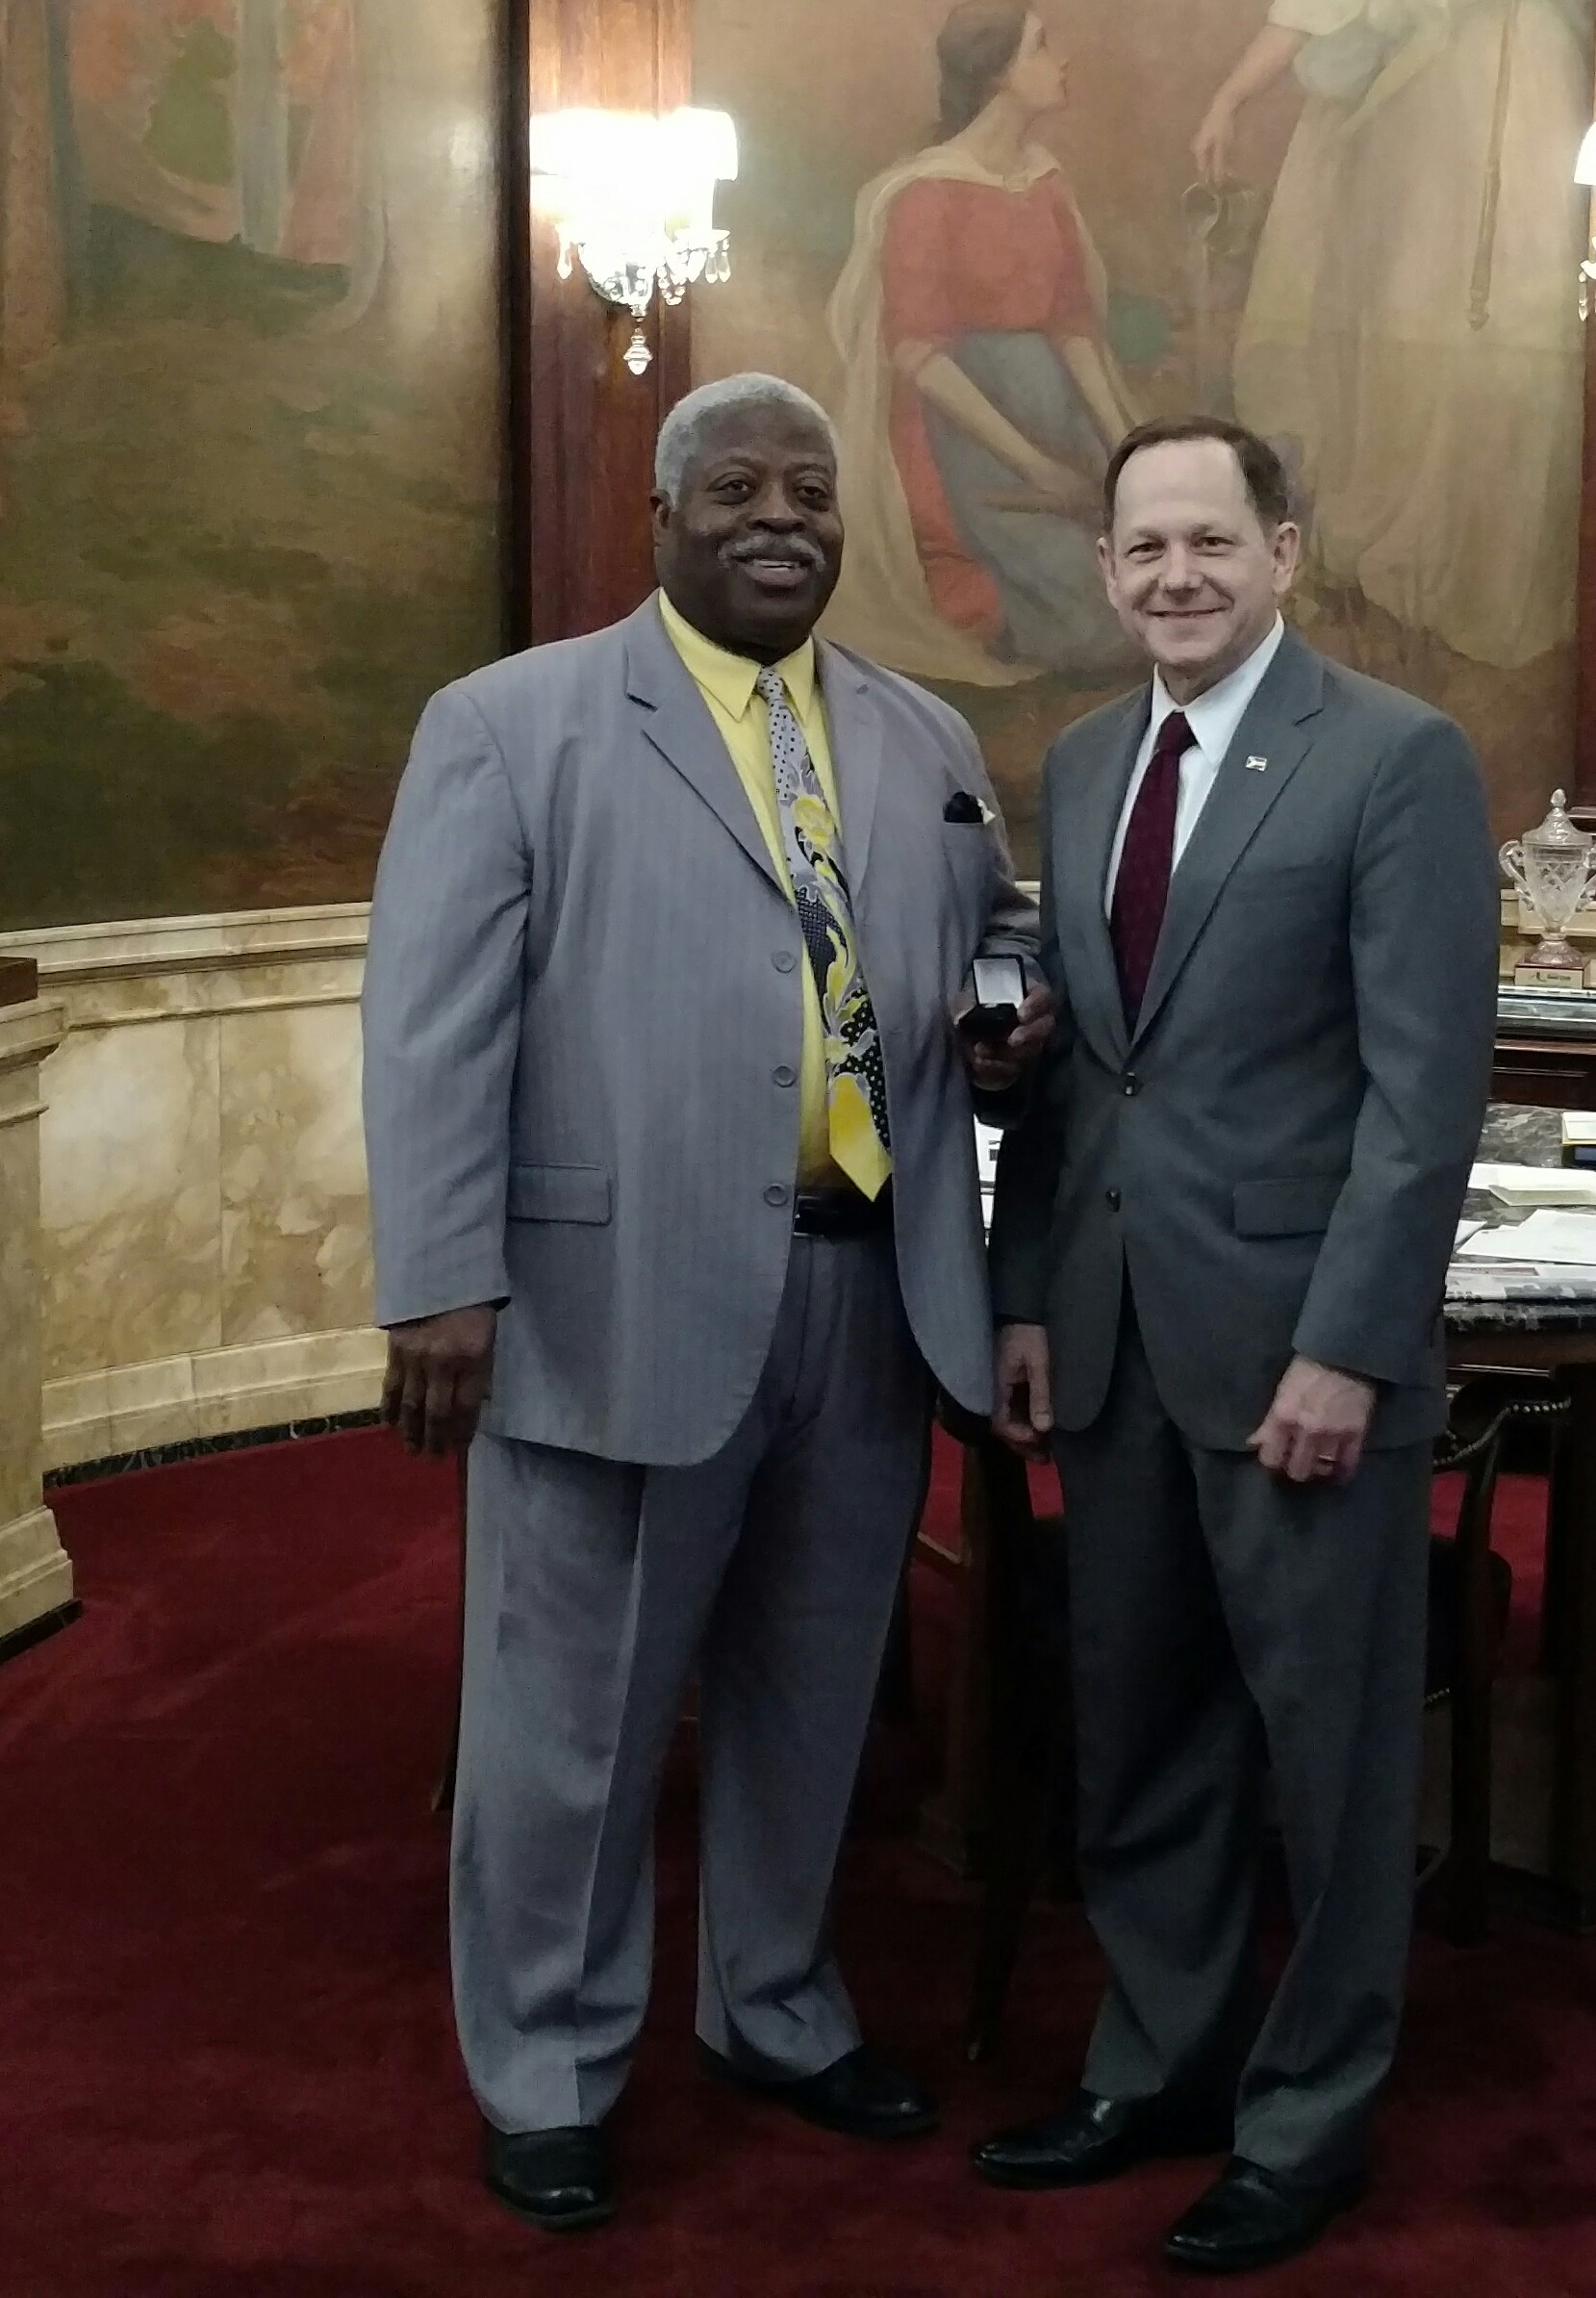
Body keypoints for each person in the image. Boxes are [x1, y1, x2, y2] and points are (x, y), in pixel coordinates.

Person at [361, 372, 1047, 2235]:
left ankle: (772, 2005)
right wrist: (437, 1279)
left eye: (809, 492)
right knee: (571, 1722)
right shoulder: (514, 724)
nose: (779, 517)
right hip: (609, 1304)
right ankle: (549, 2066)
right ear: (658, 517)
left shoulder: (920, 738)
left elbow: (987, 929)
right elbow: (431, 1022)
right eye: (733, 485)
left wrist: (999, 1009)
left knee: (808, 1696)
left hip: (866, 1298)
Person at [974, 416, 1500, 2273]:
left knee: (1323, 1753)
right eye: (1142, 548)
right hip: (1113, 1343)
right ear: (1106, 569)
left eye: (1211, 538)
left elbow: (1420, 1097)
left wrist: (1350, 1345)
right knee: (1137, 1730)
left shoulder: (1394, 758)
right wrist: (1025, 1291)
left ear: (1283, 548)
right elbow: (1074, 1079)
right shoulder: (1081, 758)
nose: (1174, 575)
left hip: (1299, 1361)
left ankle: (1306, 2112)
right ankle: (1159, 2057)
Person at [1192, 0, 1590, 669]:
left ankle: (1490, 572)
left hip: (1533, 88)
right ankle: (1411, 562)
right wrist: (1231, 96)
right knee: (1409, 317)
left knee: (1527, 321)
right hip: (1432, 105)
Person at [826, 1, 1139, 688]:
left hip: (1063, 430)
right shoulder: (925, 192)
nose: (1062, 62)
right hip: (969, 446)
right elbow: (918, 354)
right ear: (996, 74)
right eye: (1041, 48)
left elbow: (1073, 328)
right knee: (1099, 620)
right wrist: (1030, 466)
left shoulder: (1045, 181)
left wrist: (1130, 450)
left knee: (1146, 577)